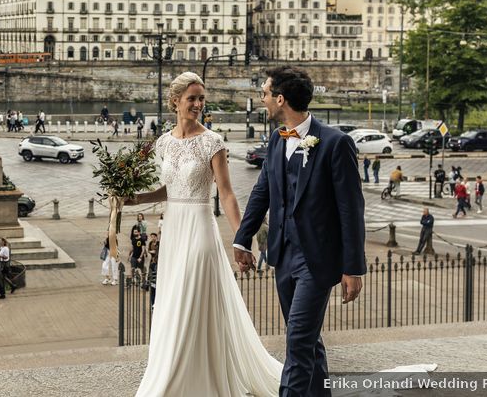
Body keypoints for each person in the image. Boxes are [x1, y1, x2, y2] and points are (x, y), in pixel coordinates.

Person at [128, 71, 284, 396]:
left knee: (189, 294)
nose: (198, 105)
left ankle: (186, 380)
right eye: (192, 99)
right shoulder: (163, 143)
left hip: (199, 225)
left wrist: (242, 239)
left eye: (201, 99)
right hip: (173, 228)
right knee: (173, 301)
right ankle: (178, 372)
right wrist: (136, 199)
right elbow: (168, 190)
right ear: (175, 101)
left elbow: (226, 194)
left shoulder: (212, 142)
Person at [233, 65, 366, 396]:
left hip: (317, 260)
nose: (262, 100)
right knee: (305, 337)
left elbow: (351, 210)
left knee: (297, 342)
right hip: (283, 254)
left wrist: (353, 267)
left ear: (280, 99)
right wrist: (242, 238)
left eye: (264, 94)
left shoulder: (336, 143)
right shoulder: (278, 141)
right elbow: (262, 192)